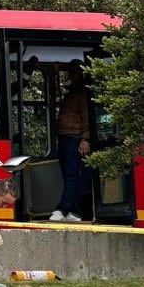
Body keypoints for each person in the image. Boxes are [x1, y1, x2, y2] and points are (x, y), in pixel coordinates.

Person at [50, 60, 90, 222]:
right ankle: (73, 210)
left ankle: (63, 208)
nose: (72, 76)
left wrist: (85, 138)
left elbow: (87, 117)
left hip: (74, 137)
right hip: (65, 136)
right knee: (68, 175)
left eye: (75, 72)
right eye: (70, 72)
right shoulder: (71, 92)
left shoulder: (82, 93)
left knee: (71, 175)